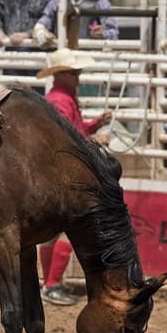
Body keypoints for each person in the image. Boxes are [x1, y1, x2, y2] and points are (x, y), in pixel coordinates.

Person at [36, 48, 112, 305]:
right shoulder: (61, 101)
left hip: (56, 172)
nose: (78, 75)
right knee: (72, 228)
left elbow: (72, 131)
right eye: (74, 72)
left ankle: (50, 285)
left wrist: (95, 125)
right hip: (66, 173)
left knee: (52, 234)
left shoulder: (62, 98)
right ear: (62, 74)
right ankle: (52, 284)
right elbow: (67, 138)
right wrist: (95, 138)